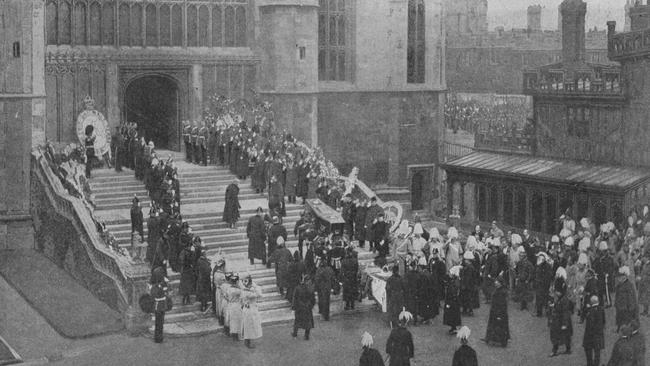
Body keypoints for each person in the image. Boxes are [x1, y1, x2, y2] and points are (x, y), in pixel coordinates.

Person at [482, 274, 510, 347]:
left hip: (499, 312)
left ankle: (502, 341)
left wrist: (499, 315)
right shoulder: (498, 290)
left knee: (499, 326)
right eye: (495, 282)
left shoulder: (501, 292)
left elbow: (502, 305)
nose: (495, 283)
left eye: (497, 282)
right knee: (494, 325)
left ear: (500, 283)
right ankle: (489, 338)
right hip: (495, 311)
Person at [548, 281, 573, 357]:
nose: (556, 293)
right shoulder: (559, 298)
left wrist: (565, 324)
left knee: (566, 336)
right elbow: (557, 305)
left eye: (558, 292)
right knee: (556, 336)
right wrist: (553, 305)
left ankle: (567, 349)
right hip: (557, 320)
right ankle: (555, 350)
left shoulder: (564, 300)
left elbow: (565, 312)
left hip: (562, 320)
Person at [240, 274, 263, 348]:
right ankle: (247, 342)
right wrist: (254, 287)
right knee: (248, 326)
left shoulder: (248, 289)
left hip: (251, 309)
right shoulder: (246, 291)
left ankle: (248, 341)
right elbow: (258, 295)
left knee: (250, 325)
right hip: (249, 309)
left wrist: (253, 286)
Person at [614, 266, 639, 332]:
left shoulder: (629, 285)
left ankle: (627, 332)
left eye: (620, 277)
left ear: (624, 277)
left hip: (626, 307)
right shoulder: (619, 285)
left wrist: (631, 307)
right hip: (620, 307)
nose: (618, 279)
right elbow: (617, 295)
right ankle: (621, 329)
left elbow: (631, 298)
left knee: (627, 321)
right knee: (621, 319)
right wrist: (616, 303)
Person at [583, 295, 605, 366]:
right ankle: (596, 364)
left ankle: (590, 364)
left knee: (588, 350)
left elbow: (589, 323)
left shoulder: (590, 311)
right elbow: (604, 321)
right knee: (597, 351)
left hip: (590, 335)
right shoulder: (601, 309)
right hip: (599, 333)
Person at [292, 274, 315, 340]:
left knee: (297, 321)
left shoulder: (298, 288)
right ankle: (306, 335)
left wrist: (294, 307)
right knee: (308, 322)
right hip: (307, 307)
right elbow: (313, 299)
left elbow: (295, 298)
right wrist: (311, 305)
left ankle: (295, 334)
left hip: (299, 307)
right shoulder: (310, 288)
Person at [150, 268, 169, 344]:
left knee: (161, 322)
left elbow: (166, 291)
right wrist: (161, 288)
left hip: (162, 305)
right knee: (158, 323)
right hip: (158, 305)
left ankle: (160, 337)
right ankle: (157, 338)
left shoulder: (162, 283)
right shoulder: (155, 286)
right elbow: (154, 295)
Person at [179, 240, 198, 305]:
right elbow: (182, 261)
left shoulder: (189, 252)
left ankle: (188, 299)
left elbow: (193, 259)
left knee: (188, 286)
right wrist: (188, 263)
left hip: (188, 271)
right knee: (185, 286)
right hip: (185, 270)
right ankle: (184, 300)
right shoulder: (184, 252)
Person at [534, 252, 554, 317]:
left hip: (544, 285)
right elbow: (536, 274)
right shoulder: (538, 265)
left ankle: (547, 312)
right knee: (539, 299)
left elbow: (549, 276)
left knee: (545, 299)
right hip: (538, 284)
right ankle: (539, 312)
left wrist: (543, 282)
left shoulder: (547, 266)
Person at [444, 266, 462, 335]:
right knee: (453, 314)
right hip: (452, 300)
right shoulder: (454, 281)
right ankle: (453, 327)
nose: (449, 274)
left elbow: (453, 291)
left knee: (453, 314)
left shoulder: (454, 282)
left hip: (452, 300)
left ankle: (454, 327)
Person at [212, 255, 227, 324]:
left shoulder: (215, 273)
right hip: (221, 291)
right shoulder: (222, 275)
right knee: (222, 305)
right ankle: (222, 319)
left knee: (218, 304)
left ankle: (219, 317)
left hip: (217, 290)